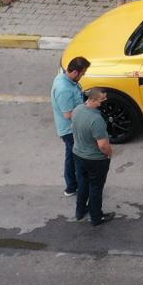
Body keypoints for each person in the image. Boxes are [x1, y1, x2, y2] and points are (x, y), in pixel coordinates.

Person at [70, 86, 116, 225]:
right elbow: (102, 145)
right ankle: (96, 217)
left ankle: (80, 211)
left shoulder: (77, 109)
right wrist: (109, 154)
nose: (105, 101)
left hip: (78, 154)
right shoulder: (96, 120)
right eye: (102, 99)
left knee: (83, 184)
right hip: (95, 160)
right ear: (93, 99)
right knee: (96, 188)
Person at [51, 55, 88, 202]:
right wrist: (88, 112)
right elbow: (68, 114)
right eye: (82, 73)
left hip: (71, 128)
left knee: (71, 156)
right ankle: (75, 187)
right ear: (75, 73)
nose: (83, 76)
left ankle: (72, 185)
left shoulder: (64, 78)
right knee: (75, 159)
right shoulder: (64, 89)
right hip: (70, 130)